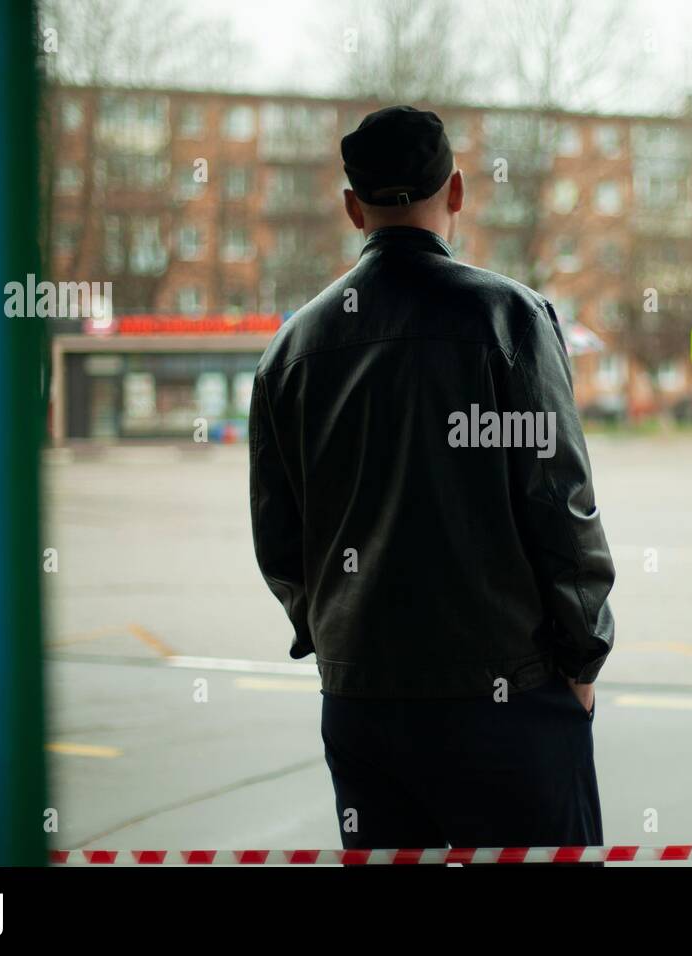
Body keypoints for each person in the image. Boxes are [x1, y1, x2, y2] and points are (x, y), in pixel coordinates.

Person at [248, 106, 616, 859]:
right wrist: (583, 657)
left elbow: (279, 538)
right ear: (456, 191)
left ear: (354, 207)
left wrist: (335, 645)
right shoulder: (508, 317)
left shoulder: (292, 347)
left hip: (362, 705)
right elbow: (560, 502)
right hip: (508, 699)